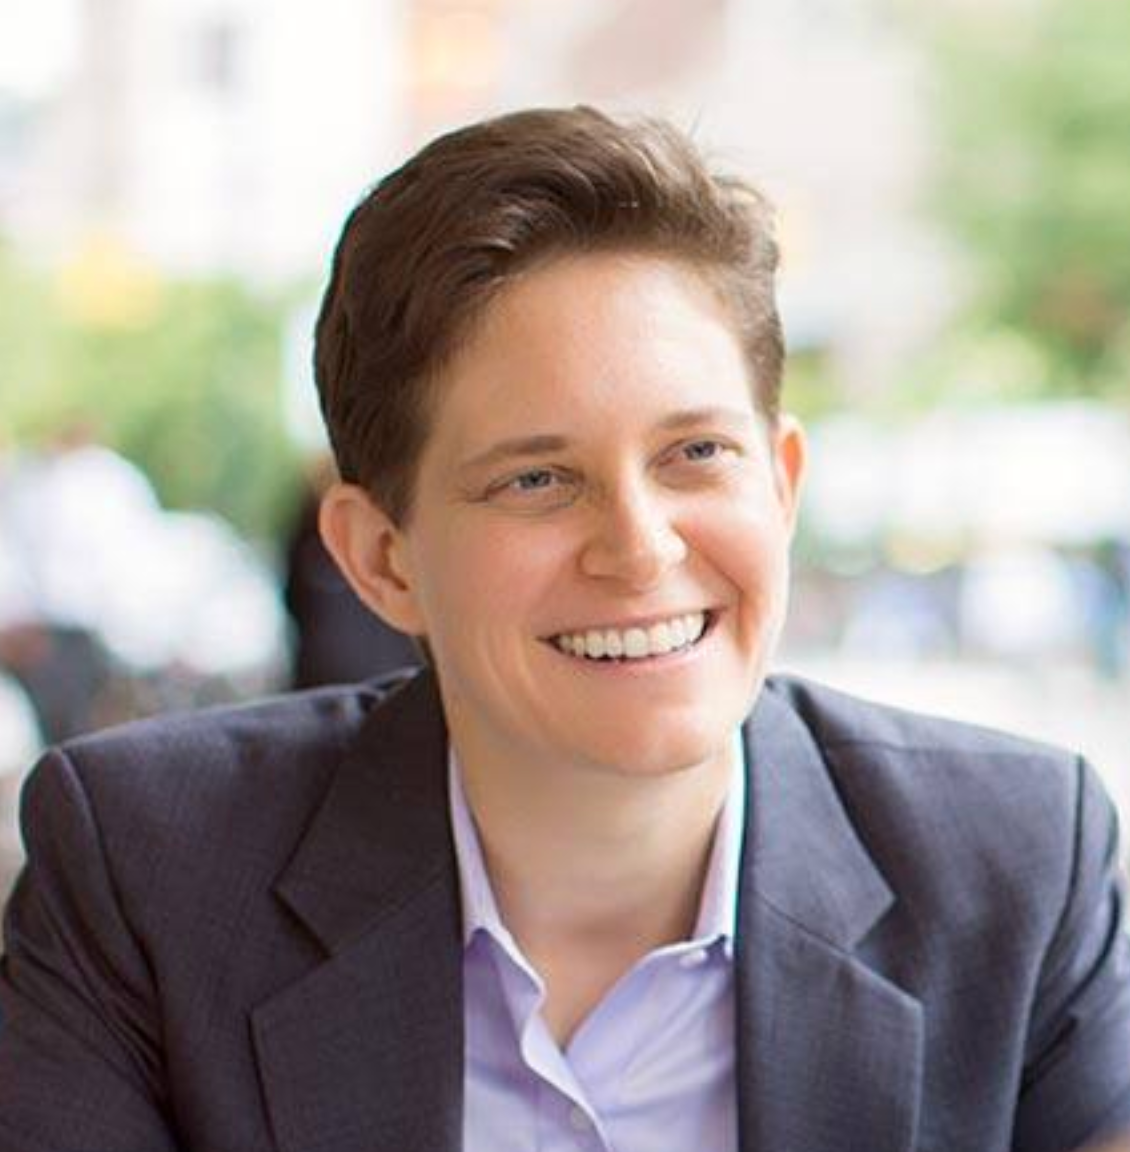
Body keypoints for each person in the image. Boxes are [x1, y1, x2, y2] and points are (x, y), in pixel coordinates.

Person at [1, 106, 1128, 1152]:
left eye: (695, 454)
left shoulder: (1016, 866)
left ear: (780, 486)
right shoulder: (146, 871)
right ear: (379, 558)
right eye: (537, 478)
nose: (637, 549)